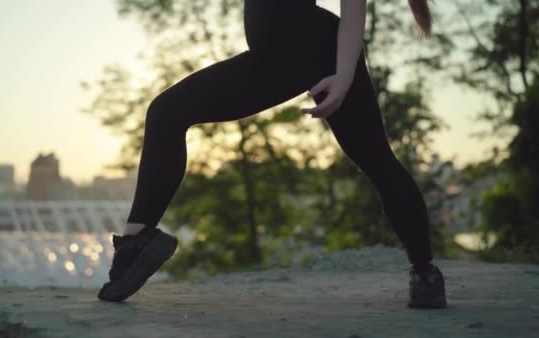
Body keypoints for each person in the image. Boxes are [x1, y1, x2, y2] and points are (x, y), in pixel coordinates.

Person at [97, 0, 447, 309]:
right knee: (165, 113)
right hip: (270, 61)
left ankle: (425, 272)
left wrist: (343, 77)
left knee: (376, 160)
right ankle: (136, 242)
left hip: (321, 51)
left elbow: (353, 12)